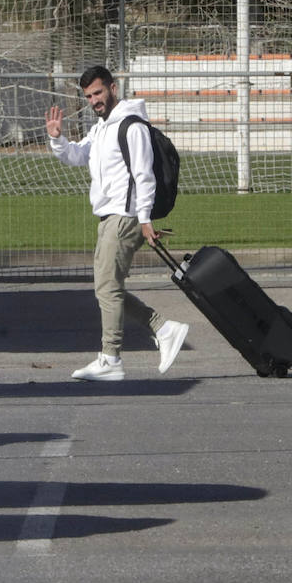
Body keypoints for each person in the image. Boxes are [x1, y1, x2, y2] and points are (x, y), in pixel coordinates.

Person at [46, 66, 189, 381]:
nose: (95, 100)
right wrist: (57, 139)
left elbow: (144, 175)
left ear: (112, 87)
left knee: (107, 288)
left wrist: (146, 218)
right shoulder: (101, 128)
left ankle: (111, 357)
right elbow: (76, 155)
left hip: (125, 217)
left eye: (98, 93)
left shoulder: (130, 126)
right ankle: (163, 328)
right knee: (106, 289)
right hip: (108, 216)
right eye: (89, 97)